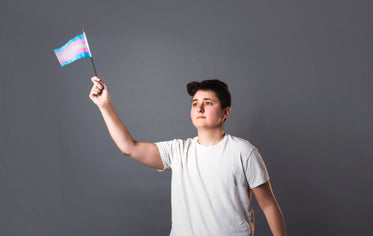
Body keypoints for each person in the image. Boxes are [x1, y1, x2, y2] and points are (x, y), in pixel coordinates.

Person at [89, 76, 287, 236]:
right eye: (195, 104)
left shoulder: (244, 152)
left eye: (208, 103)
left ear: (225, 112)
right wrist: (104, 106)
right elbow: (129, 147)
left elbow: (268, 205)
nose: (199, 108)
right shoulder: (178, 151)